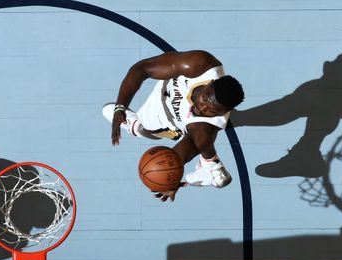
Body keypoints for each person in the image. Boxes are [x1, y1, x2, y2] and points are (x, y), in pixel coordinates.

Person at [103, 51, 245, 202]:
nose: (202, 108)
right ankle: (211, 165)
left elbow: (173, 159)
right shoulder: (200, 65)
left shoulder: (205, 129)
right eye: (204, 99)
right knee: (202, 140)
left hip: (170, 124)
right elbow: (142, 68)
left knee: (146, 129)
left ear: (225, 112)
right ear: (209, 83)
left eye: (211, 111)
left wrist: (169, 179)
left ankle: (135, 126)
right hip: (163, 93)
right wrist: (120, 107)